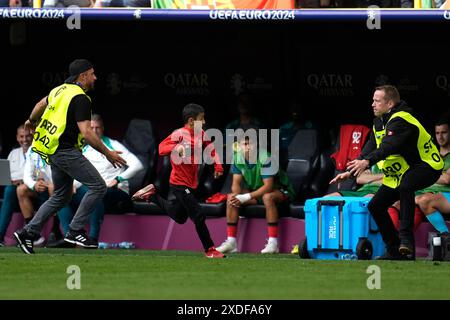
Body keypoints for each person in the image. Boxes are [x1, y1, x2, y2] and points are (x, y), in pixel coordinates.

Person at [14, 59, 126, 254]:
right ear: (82, 76)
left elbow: (40, 104)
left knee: (61, 196)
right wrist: (108, 154)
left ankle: (27, 233)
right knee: (99, 186)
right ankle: (74, 230)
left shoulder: (59, 90)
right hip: (65, 150)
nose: (95, 78)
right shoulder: (81, 97)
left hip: (53, 150)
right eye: (92, 74)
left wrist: (31, 120)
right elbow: (88, 132)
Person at [330, 85, 443, 260]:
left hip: (427, 165)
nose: (372, 104)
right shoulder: (379, 122)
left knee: (406, 186)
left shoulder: (401, 119)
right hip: (403, 171)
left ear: (389, 103)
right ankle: (394, 249)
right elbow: (370, 147)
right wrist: (351, 170)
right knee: (375, 205)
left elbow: (389, 147)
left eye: (377, 101)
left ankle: (406, 240)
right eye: (372, 100)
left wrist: (367, 162)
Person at [132, 103, 225, 258]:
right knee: (199, 215)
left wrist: (218, 166)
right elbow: (161, 148)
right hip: (178, 183)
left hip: (191, 183)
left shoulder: (201, 133)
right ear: (190, 121)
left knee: (179, 217)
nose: (204, 122)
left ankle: (151, 195)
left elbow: (211, 149)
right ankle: (210, 249)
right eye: (201, 119)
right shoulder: (179, 134)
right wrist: (176, 148)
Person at [55, 113, 143, 246]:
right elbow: (81, 175)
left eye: (98, 128)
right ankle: (69, 237)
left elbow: (138, 165)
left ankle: (93, 238)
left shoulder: (113, 145)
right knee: (62, 194)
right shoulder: (83, 150)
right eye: (92, 128)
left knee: (95, 191)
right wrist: (72, 184)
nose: (95, 131)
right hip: (92, 190)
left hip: (116, 191)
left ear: (103, 128)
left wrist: (118, 179)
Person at [215, 136, 296, 254]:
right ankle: (231, 242)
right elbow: (236, 183)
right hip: (256, 193)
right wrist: (236, 195)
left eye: (250, 144)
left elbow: (268, 186)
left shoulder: (266, 158)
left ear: (256, 145)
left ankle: (273, 243)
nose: (247, 147)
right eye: (244, 144)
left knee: (267, 197)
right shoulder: (238, 157)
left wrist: (246, 197)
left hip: (281, 191)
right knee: (231, 198)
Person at [16, 148, 63, 246]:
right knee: (21, 190)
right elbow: (27, 175)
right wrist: (34, 184)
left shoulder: (53, 143)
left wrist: (48, 182)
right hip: (39, 185)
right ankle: (32, 234)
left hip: (53, 183)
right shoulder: (32, 149)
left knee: (53, 187)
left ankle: (55, 231)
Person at [0, 125, 32, 246]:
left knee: (11, 191)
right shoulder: (13, 153)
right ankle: (0, 236)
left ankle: (30, 234)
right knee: (9, 190)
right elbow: (7, 175)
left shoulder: (38, 151)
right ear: (17, 138)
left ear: (33, 136)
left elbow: (42, 175)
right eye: (22, 136)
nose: (25, 139)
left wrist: (24, 181)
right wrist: (14, 181)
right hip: (15, 190)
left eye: (28, 136)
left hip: (35, 191)